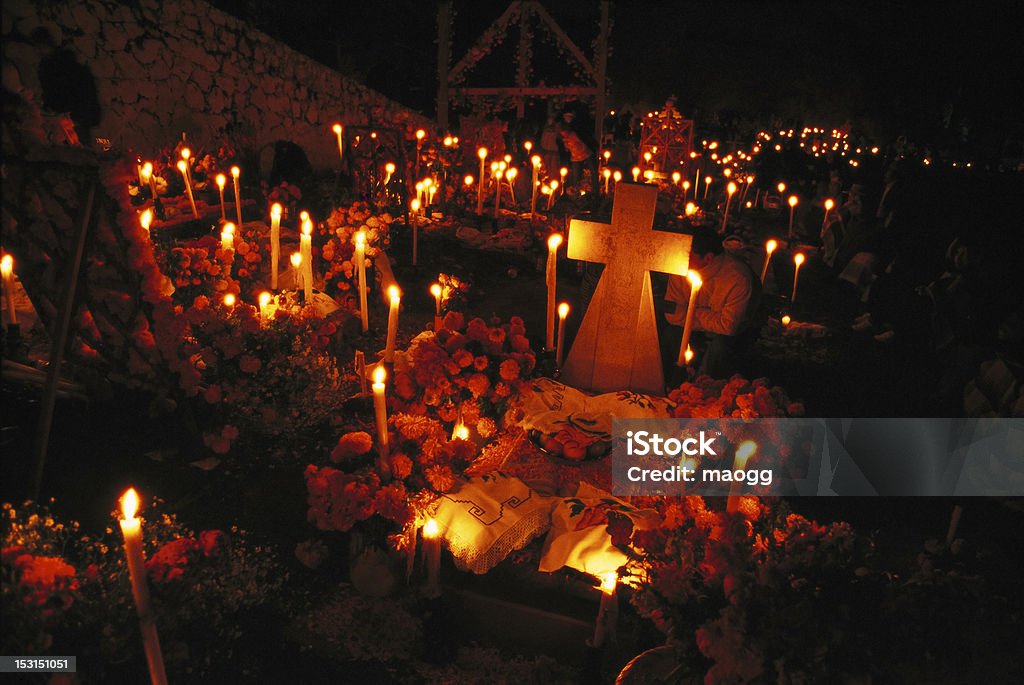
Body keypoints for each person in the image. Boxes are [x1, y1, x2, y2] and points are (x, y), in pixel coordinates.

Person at [662, 226, 761, 378]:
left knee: (720, 348)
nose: (681, 258)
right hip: (695, 330)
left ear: (707, 258)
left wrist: (690, 312)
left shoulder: (737, 278)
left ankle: (705, 384)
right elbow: (672, 314)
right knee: (670, 335)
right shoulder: (679, 267)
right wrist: (713, 316)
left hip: (728, 338)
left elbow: (728, 326)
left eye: (688, 255)